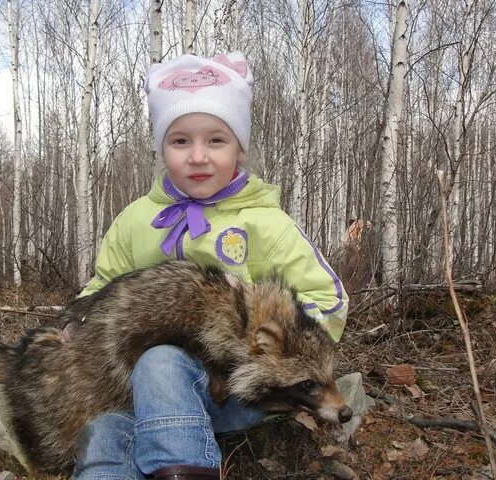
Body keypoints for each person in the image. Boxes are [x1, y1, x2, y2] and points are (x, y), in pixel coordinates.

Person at [72, 51, 348, 480]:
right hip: (136, 394)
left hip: (229, 393)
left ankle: (186, 469)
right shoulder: (134, 220)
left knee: (161, 362)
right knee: (106, 431)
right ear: (162, 148)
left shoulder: (266, 222)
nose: (197, 156)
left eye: (216, 140)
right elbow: (104, 283)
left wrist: (283, 342)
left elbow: (328, 297)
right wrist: (79, 319)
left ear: (239, 147)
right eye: (180, 141)